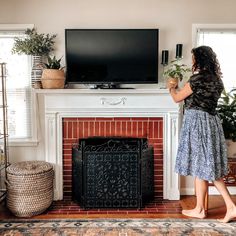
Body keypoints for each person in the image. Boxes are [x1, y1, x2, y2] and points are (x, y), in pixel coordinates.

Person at [167, 45, 236, 223]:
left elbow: (177, 98)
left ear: (199, 59)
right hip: (211, 122)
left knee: (204, 166)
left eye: (194, 57)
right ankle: (200, 209)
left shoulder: (197, 79)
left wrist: (171, 87)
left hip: (197, 122)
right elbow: (198, 97)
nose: (192, 60)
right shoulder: (217, 80)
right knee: (202, 166)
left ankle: (230, 206)